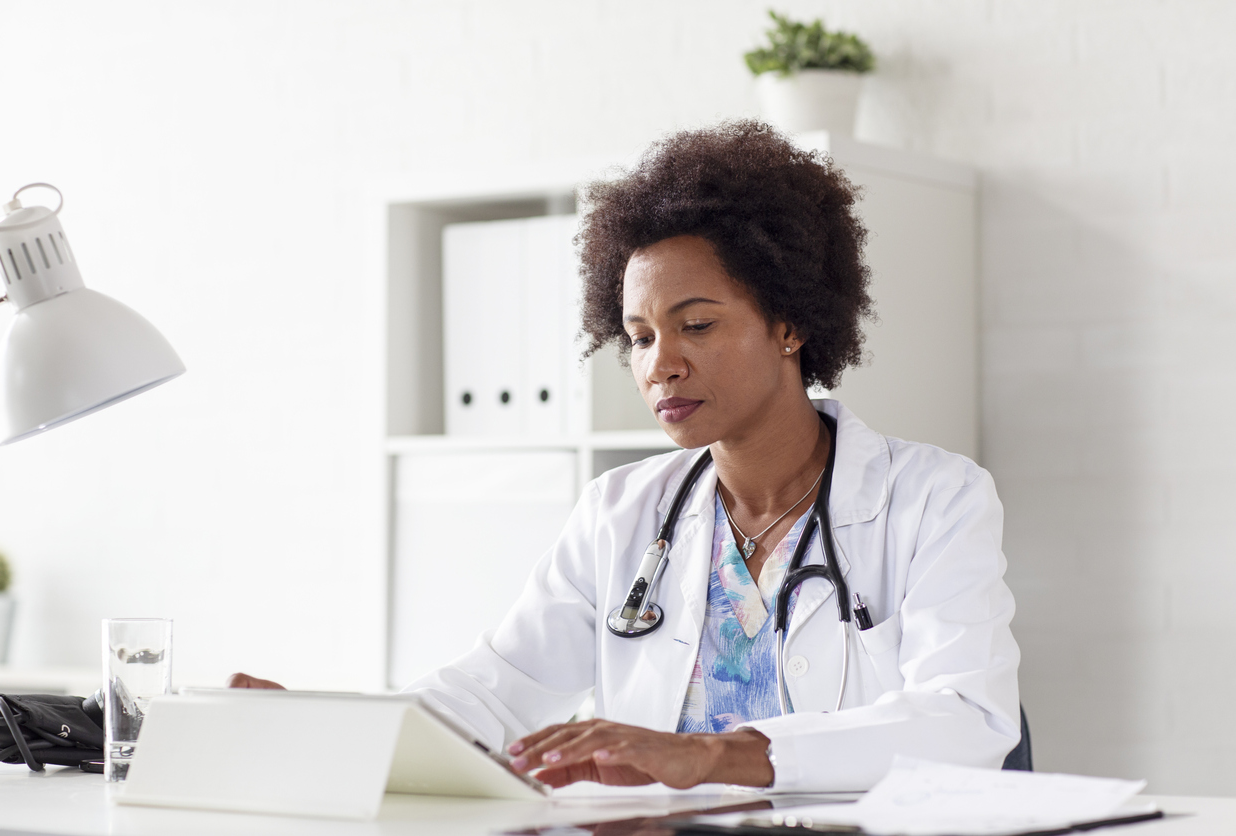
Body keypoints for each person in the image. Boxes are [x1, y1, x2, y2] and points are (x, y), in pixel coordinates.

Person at [231, 120, 1020, 793]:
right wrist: (326, 725)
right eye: (639, 337)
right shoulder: (621, 512)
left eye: (697, 325)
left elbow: (968, 722)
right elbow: (493, 691)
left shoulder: (933, 499)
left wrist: (709, 754)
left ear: (790, 322)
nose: (659, 364)